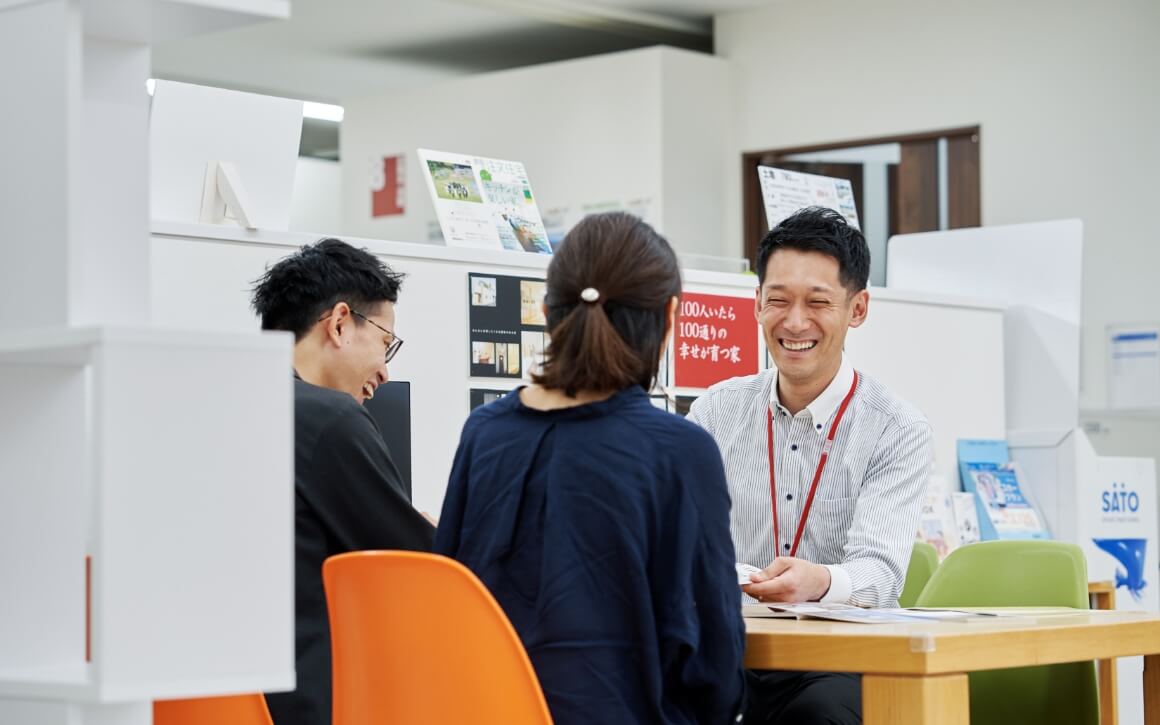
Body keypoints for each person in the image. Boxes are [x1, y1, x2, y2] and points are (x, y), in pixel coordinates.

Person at [435, 212, 746, 725]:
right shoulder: (679, 450)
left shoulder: (484, 433)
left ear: (546, 309)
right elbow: (715, 668)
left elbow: (449, 610)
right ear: (669, 316)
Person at [687, 206, 933, 725]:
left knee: (817, 715)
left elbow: (882, 574)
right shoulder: (714, 410)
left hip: (841, 660)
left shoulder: (896, 428)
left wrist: (819, 581)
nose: (794, 322)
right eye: (777, 300)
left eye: (818, 303)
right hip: (731, 648)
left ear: (858, 308)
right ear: (756, 303)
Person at [250, 238, 435, 725]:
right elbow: (418, 564)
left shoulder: (221, 400)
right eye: (384, 341)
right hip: (307, 700)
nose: (385, 369)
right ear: (338, 323)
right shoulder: (328, 419)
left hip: (221, 697)